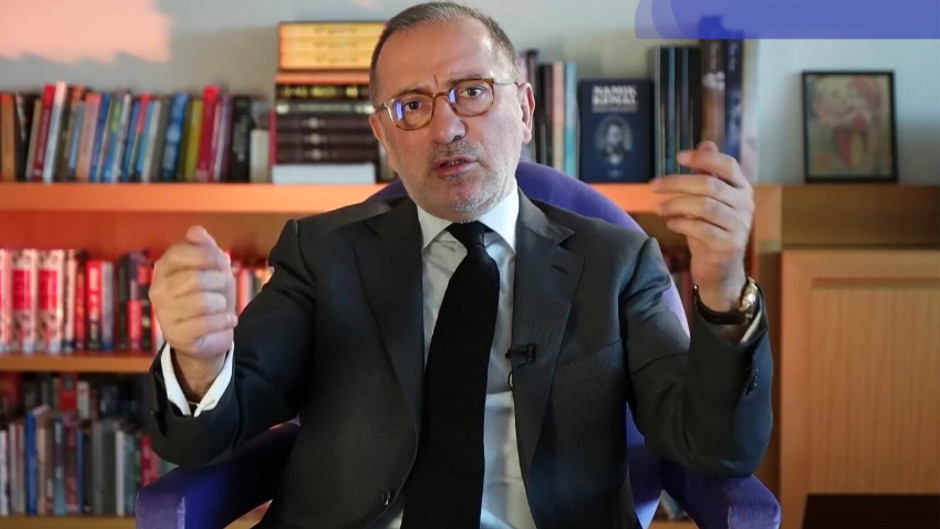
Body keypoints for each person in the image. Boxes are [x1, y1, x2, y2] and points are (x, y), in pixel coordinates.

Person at [145, 3, 772, 528]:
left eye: (472, 92)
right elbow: (203, 437)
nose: (446, 126)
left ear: (524, 110)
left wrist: (723, 292)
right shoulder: (322, 254)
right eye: (411, 106)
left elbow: (717, 448)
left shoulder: (617, 262)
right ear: (384, 137)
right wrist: (198, 361)